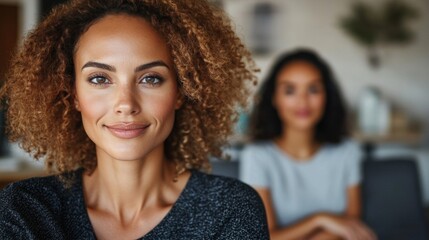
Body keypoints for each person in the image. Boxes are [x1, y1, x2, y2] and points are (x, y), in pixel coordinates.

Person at [0, 0, 269, 239]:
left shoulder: (230, 209)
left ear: (181, 91)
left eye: (150, 79)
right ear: (74, 95)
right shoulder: (26, 209)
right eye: (100, 79)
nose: (126, 104)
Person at [240, 49, 376, 240]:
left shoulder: (347, 151)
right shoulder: (257, 156)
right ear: (274, 98)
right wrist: (320, 219)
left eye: (313, 89)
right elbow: (265, 236)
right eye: (290, 90)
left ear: (326, 96)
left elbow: (350, 226)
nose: (302, 101)